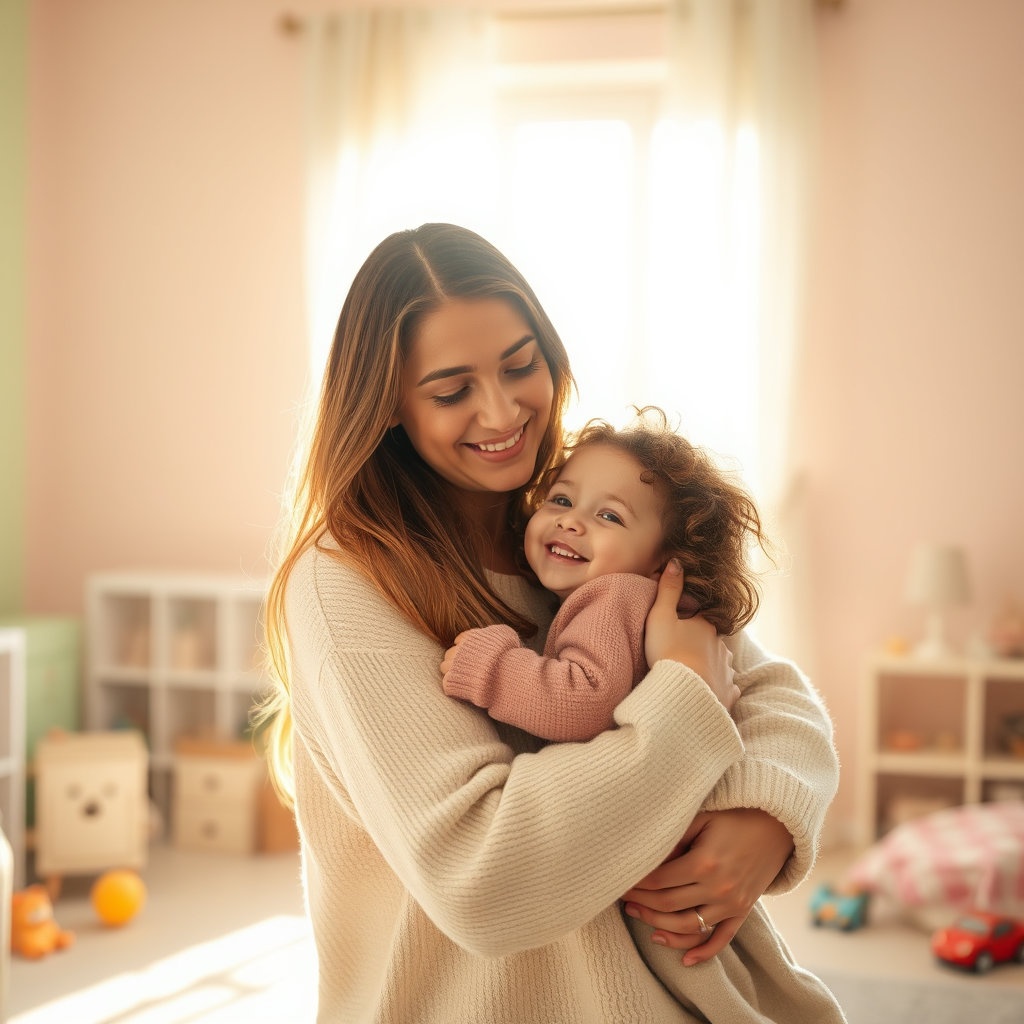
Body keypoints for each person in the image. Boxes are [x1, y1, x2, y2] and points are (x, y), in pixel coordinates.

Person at [254, 222, 842, 1023]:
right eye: (452, 389)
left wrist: (764, 814)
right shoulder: (348, 581)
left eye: (520, 364)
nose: (502, 412)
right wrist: (681, 705)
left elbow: (767, 687)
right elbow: (486, 881)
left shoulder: (572, 516)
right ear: (387, 401)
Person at [440, 408, 846, 1021]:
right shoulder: (630, 599)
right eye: (560, 498)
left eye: (609, 516)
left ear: (663, 562)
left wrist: (494, 667)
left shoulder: (614, 598)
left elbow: (580, 701)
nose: (572, 522)